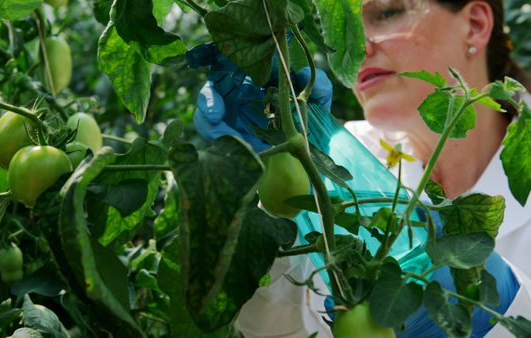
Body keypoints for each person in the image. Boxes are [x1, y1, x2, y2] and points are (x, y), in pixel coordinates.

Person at [191, 0, 531, 337]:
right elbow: (276, 330)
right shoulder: (334, 159)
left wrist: (507, 309)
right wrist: (250, 189)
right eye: (346, 30)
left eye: (387, 13)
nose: (359, 49)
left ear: (474, 24)